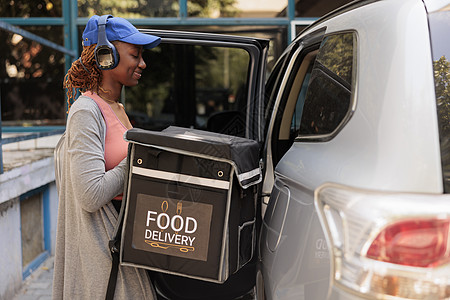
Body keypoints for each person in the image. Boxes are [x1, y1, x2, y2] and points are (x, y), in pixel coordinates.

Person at [52, 15, 161, 299]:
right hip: (104, 256)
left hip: (124, 244)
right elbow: (90, 194)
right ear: (106, 56)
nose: (142, 63)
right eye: (135, 55)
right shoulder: (86, 112)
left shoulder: (116, 107)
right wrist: (139, 158)